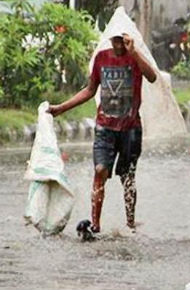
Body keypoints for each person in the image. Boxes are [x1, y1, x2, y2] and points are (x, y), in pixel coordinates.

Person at [48, 33, 158, 234]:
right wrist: (61, 108)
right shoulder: (101, 58)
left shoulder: (136, 56)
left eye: (122, 41)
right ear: (110, 40)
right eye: (115, 41)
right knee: (100, 171)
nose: (118, 45)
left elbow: (152, 77)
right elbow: (90, 89)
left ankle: (130, 224)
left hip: (131, 129)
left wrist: (134, 52)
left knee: (127, 177)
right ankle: (96, 224)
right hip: (105, 128)